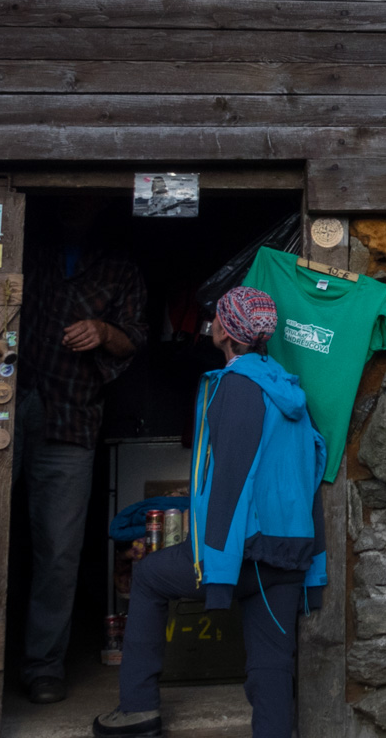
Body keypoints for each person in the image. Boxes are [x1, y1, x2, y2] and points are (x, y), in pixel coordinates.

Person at [93, 287, 327, 738]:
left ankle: (138, 707)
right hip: (290, 549)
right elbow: (310, 472)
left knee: (148, 577)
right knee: (272, 662)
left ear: (223, 330)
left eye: (215, 318)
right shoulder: (286, 386)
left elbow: (231, 482)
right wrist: (312, 560)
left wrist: (216, 566)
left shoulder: (236, 389)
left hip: (244, 551)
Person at [18, 197, 149, 704]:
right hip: (1, 403)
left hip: (71, 413)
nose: (74, 204)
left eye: (83, 195)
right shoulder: (29, 244)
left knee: (58, 549)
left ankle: (42, 665)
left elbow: (135, 338)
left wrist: (103, 331)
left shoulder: (119, 264)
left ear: (98, 204)